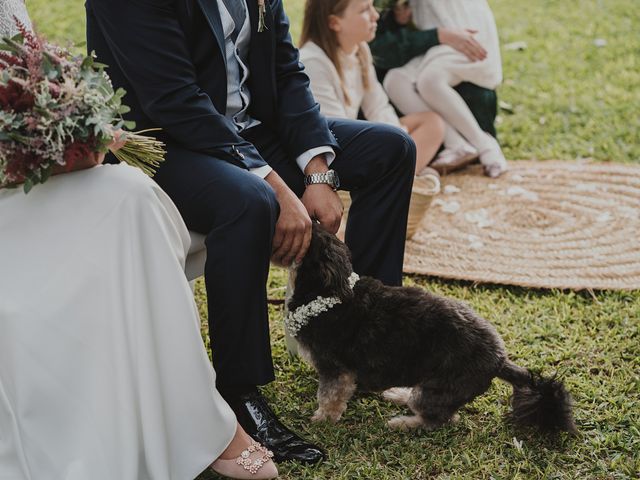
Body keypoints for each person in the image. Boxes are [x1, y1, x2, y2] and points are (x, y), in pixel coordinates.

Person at [86, 0, 416, 465]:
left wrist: (317, 172)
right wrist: (278, 186)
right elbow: (172, 99)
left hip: (248, 131)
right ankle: (239, 391)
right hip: (163, 143)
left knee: (391, 148)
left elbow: (286, 70)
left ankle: (368, 346)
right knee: (248, 200)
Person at [0, 3, 277, 478]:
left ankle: (191, 415)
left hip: (31, 170)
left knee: (129, 193)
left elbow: (31, 74)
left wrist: (75, 129)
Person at [298, 0, 444, 193]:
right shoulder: (313, 62)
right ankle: (400, 181)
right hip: (330, 154)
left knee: (432, 123)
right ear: (334, 22)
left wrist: (400, 145)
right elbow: (332, 131)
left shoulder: (359, 50)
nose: (375, 15)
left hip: (350, 139)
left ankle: (402, 175)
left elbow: (378, 107)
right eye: (365, 10)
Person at [371, 0, 507, 177]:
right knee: (395, 81)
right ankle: (457, 144)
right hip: (436, 41)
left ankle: (486, 146)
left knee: (430, 80)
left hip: (464, 32)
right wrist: (400, 14)